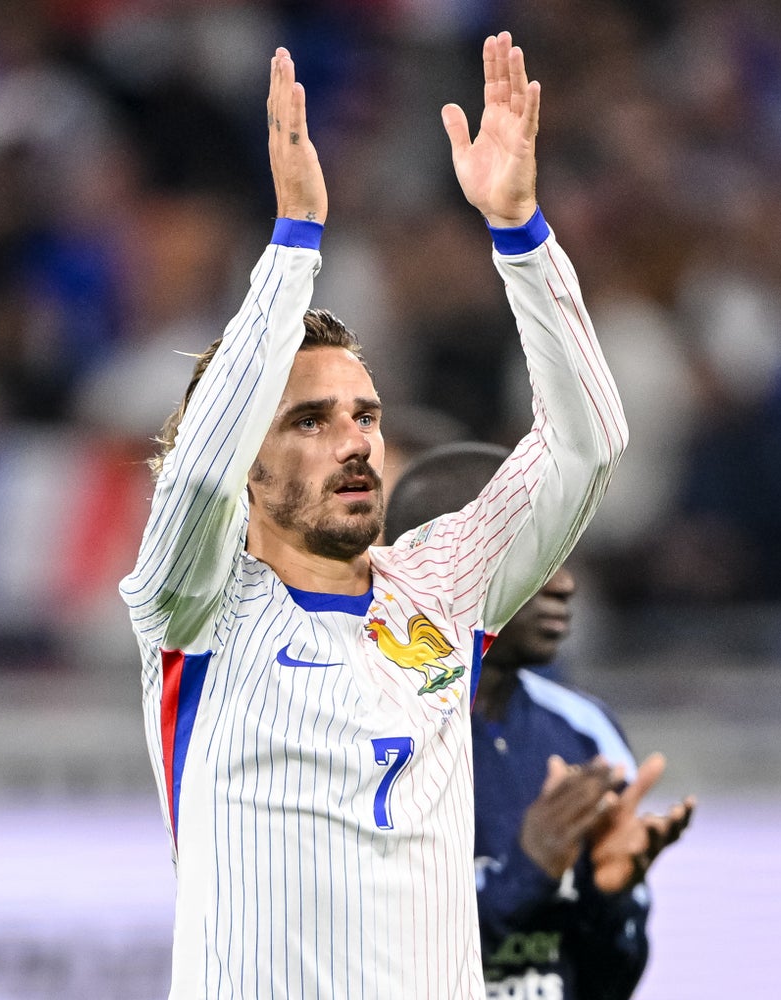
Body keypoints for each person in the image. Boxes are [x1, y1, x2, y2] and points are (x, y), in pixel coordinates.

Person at [119, 36, 626, 997]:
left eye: (367, 417)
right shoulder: (196, 609)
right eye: (309, 421)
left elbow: (587, 445)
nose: (355, 440)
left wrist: (520, 233)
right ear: (249, 464)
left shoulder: (442, 587)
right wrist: (295, 244)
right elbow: (191, 483)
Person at [384, 442, 695, 1000]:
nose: (565, 582)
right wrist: (529, 868)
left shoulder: (584, 729)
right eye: (535, 554)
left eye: (566, 553)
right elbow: (372, 952)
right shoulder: (357, 728)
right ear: (443, 566)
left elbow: (607, 981)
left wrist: (609, 898)